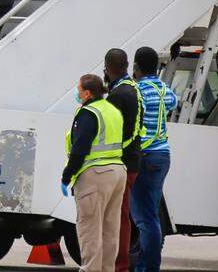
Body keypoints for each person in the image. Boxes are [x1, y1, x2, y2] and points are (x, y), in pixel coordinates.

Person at [62, 74, 127, 272]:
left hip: (96, 174)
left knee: (89, 229)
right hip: (117, 172)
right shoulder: (112, 110)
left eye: (79, 89)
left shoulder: (89, 113)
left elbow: (80, 148)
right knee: (110, 230)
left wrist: (67, 175)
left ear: (87, 93)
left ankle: (90, 270)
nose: (77, 92)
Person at [129, 47, 177, 272]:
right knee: (152, 214)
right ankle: (149, 263)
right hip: (162, 155)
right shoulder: (165, 90)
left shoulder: (138, 91)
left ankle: (148, 267)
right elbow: (173, 102)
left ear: (136, 66)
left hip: (145, 155)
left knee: (145, 218)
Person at [103, 50, 142, 272]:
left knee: (117, 217)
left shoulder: (118, 96)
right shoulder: (132, 88)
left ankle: (119, 265)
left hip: (122, 163)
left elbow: (114, 132)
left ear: (108, 68)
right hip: (133, 160)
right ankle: (119, 263)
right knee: (121, 215)